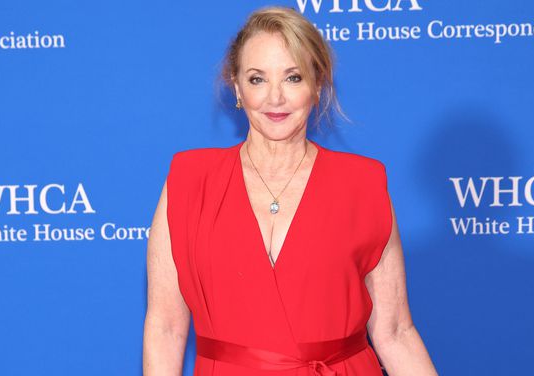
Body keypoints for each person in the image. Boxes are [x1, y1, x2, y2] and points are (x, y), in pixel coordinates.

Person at [143, 5, 437, 376]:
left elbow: (394, 331)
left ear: (317, 84)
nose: (275, 98)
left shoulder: (362, 185)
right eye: (257, 79)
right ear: (236, 87)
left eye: (293, 78)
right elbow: (166, 327)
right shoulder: (189, 180)